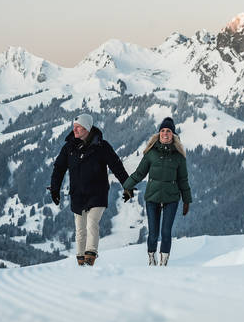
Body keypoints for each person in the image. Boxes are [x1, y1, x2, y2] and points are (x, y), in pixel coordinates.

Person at [50, 113, 129, 266]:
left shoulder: (102, 146)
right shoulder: (69, 147)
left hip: (97, 193)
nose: (75, 130)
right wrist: (55, 189)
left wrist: (128, 186)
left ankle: (90, 257)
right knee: (80, 231)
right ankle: (81, 261)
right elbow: (59, 168)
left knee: (92, 223)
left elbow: (116, 166)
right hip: (78, 195)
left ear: (87, 128)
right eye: (74, 127)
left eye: (78, 127)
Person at [122, 117, 191, 266]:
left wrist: (187, 200)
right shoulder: (151, 154)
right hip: (152, 197)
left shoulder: (179, 157)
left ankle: (163, 262)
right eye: (163, 131)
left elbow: (183, 181)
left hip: (171, 199)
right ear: (159, 133)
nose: (165, 133)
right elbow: (139, 173)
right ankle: (151, 257)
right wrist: (127, 186)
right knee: (153, 233)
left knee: (166, 232)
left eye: (168, 131)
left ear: (173, 134)